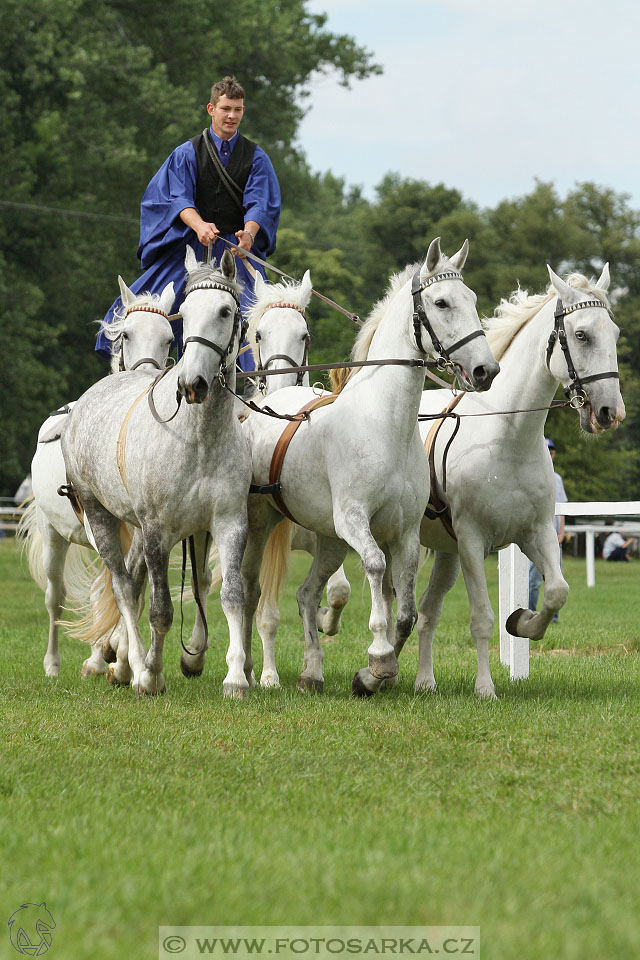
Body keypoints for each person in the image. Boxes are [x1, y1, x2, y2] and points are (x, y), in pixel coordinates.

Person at [95, 76, 281, 370]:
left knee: (266, 319)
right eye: (226, 108)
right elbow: (177, 197)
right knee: (138, 310)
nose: (232, 115)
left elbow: (260, 202)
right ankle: (134, 371)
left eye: (238, 109)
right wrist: (199, 225)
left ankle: (252, 385)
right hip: (192, 245)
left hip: (236, 250)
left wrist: (249, 233)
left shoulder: (257, 157)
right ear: (211, 108)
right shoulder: (186, 152)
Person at [528, 438, 568, 619]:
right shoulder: (531, 474)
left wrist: (561, 532)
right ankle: (531, 611)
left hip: (554, 535)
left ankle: (553, 615)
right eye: (546, 450)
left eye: (551, 451)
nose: (549, 453)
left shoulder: (557, 478)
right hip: (534, 536)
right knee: (533, 578)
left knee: (556, 574)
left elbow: (562, 506)